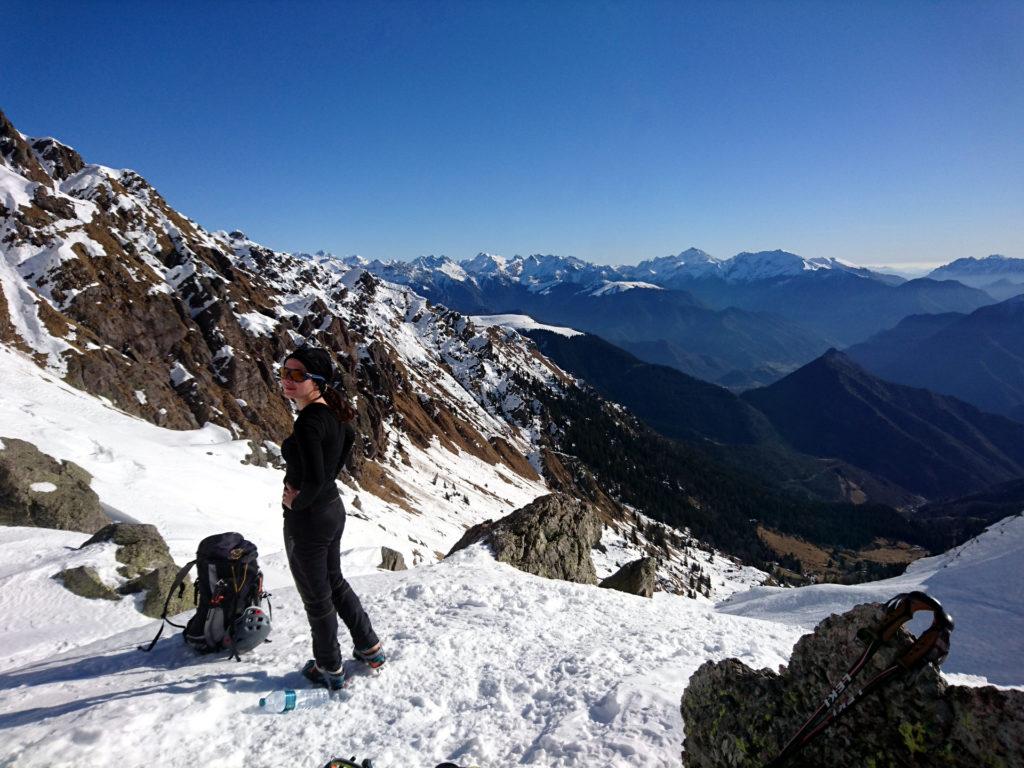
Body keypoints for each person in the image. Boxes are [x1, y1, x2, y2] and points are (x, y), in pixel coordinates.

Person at [279, 345, 384, 690]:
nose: (287, 380)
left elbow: (314, 476)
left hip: (308, 519)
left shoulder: (310, 421)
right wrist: (316, 492)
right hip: (331, 511)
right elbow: (341, 452)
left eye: (297, 375)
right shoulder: (333, 413)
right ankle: (370, 646)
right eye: (285, 371)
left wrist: (297, 502)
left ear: (317, 381)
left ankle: (329, 668)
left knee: (316, 595)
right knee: (334, 581)